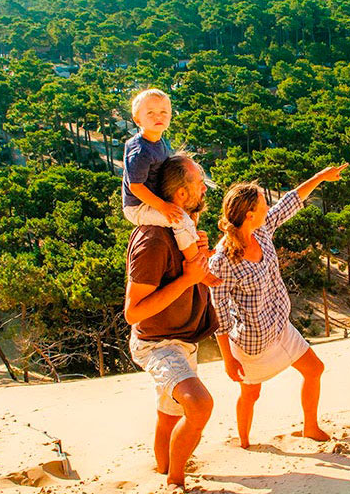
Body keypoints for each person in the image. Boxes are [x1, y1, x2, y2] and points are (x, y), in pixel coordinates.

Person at [208, 164, 347, 449]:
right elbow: (219, 312)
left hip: (281, 326)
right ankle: (244, 443)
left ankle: (310, 427)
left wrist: (320, 176)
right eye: (263, 204)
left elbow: (290, 201)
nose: (268, 208)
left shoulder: (261, 230)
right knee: (251, 394)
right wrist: (227, 359)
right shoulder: (222, 259)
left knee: (314, 369)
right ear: (249, 215)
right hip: (253, 342)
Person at [124, 153, 219, 491]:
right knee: (199, 405)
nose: (204, 190)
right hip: (158, 343)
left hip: (181, 339)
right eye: (199, 184)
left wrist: (201, 259)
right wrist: (188, 278)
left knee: (169, 416)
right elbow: (133, 312)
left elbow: (191, 274)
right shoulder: (152, 239)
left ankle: (163, 468)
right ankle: (175, 481)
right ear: (180, 194)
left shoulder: (181, 230)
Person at [121, 88, 203, 264]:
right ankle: (195, 263)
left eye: (163, 112)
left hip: (150, 199)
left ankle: (195, 247)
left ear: (170, 116)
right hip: (138, 206)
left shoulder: (158, 142)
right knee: (180, 220)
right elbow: (135, 187)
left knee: (189, 213)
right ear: (137, 119)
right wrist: (163, 207)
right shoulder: (141, 151)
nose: (158, 117)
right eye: (150, 113)